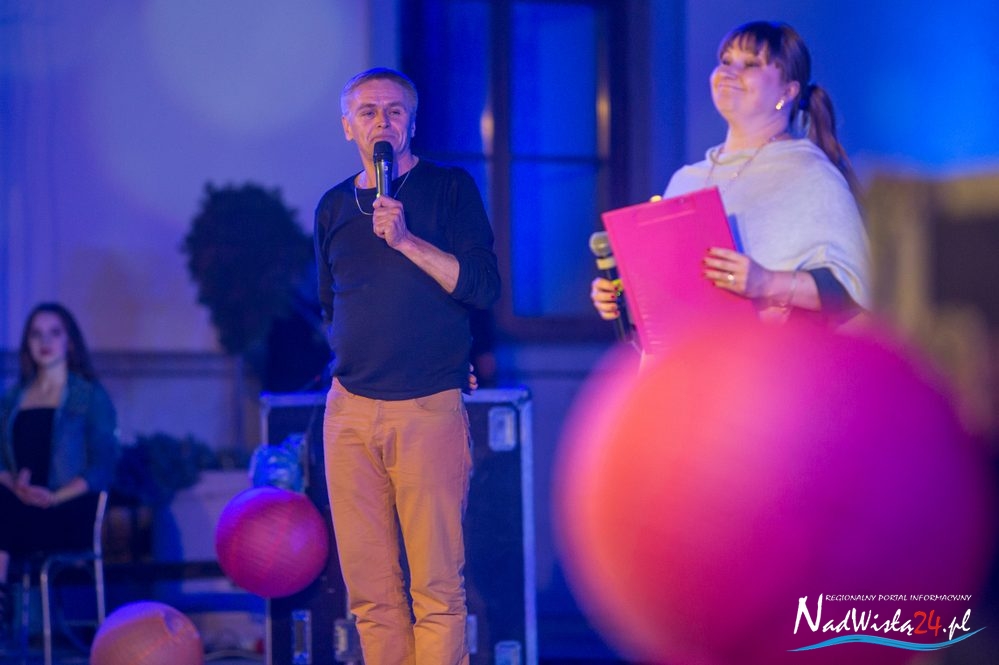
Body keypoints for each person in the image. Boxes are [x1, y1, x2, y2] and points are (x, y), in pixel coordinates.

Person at [314, 67, 500, 665]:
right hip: (349, 413)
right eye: (367, 112)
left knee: (437, 590)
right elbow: (332, 306)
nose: (382, 122)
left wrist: (407, 241)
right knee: (371, 595)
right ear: (348, 127)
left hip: (426, 409)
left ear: (412, 124)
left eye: (395, 111)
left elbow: (482, 286)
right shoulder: (334, 206)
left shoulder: (450, 189)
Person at [592, 21, 870, 334]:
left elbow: (855, 289)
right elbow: (668, 293)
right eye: (725, 61)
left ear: (788, 91)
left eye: (750, 64)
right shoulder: (686, 179)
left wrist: (766, 282)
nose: (728, 71)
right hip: (687, 358)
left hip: (769, 357)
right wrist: (621, 296)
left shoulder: (811, 174)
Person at [0, 303, 119, 633]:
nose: (45, 341)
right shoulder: (13, 398)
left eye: (54, 332)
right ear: (27, 343)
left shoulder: (87, 396)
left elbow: (103, 467)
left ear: (70, 341)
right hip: (17, 505)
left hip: (66, 509)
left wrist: (53, 496)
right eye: (36, 334)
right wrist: (14, 483)